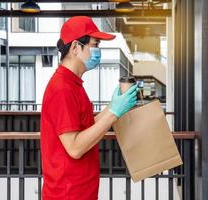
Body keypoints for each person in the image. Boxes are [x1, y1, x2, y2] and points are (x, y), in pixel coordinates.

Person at [40, 16, 138, 200]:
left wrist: (113, 106)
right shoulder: (61, 88)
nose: (98, 51)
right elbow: (75, 148)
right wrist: (113, 113)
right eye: (95, 44)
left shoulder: (73, 84)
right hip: (67, 194)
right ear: (76, 47)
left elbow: (84, 128)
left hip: (80, 191)